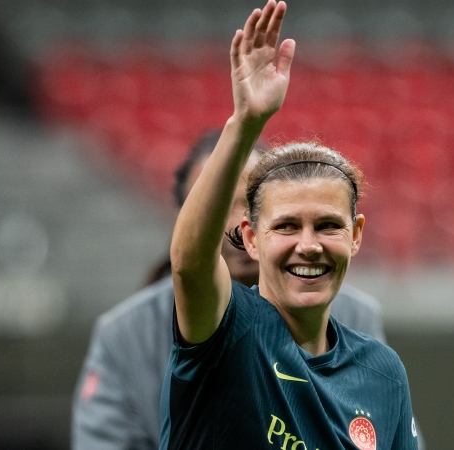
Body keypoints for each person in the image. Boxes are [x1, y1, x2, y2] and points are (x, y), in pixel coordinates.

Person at [161, 1, 418, 448]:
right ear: (250, 238)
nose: (309, 245)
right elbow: (188, 263)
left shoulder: (383, 372)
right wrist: (245, 123)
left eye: (327, 225)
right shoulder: (228, 330)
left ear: (355, 235)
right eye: (286, 227)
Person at [72, 127, 389, 447]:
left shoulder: (354, 318)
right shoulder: (126, 334)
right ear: (188, 221)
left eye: (253, 204)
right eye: (219, 205)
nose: (239, 223)